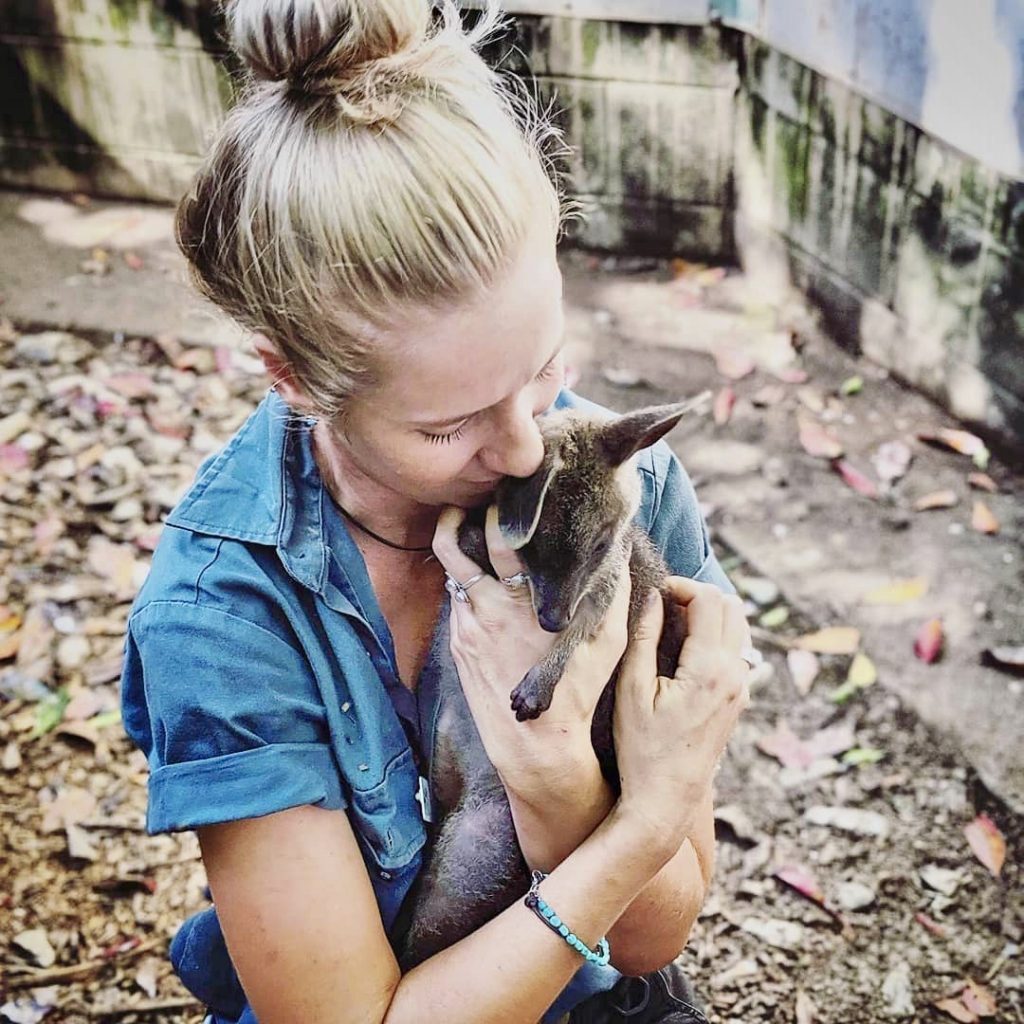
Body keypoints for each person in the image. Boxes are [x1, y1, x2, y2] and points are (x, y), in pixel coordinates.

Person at [119, 2, 753, 1022]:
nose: (521, 449)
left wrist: (553, 792)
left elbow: (651, 936)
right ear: (294, 376)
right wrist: (630, 827)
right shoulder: (225, 618)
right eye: (451, 422)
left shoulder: (619, 488)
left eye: (544, 367)